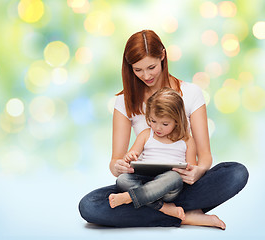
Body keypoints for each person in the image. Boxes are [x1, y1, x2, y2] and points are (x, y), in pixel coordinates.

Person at [79, 30, 249, 229]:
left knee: (236, 173)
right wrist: (119, 166)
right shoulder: (123, 102)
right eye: (138, 70)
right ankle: (181, 214)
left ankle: (159, 209)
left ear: (163, 56)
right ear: (129, 68)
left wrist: (198, 171)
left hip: (180, 183)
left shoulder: (191, 93)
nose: (146, 75)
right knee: (89, 206)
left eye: (151, 67)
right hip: (140, 182)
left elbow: (205, 157)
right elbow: (115, 162)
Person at [109, 88, 197, 221]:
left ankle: (129, 197)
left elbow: (192, 169)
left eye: (165, 124)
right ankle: (163, 208)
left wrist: (188, 170)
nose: (157, 128)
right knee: (122, 180)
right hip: (145, 181)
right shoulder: (146, 134)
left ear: (177, 121)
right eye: (153, 121)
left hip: (168, 187)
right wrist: (130, 157)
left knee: (174, 177)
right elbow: (131, 156)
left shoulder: (187, 140)